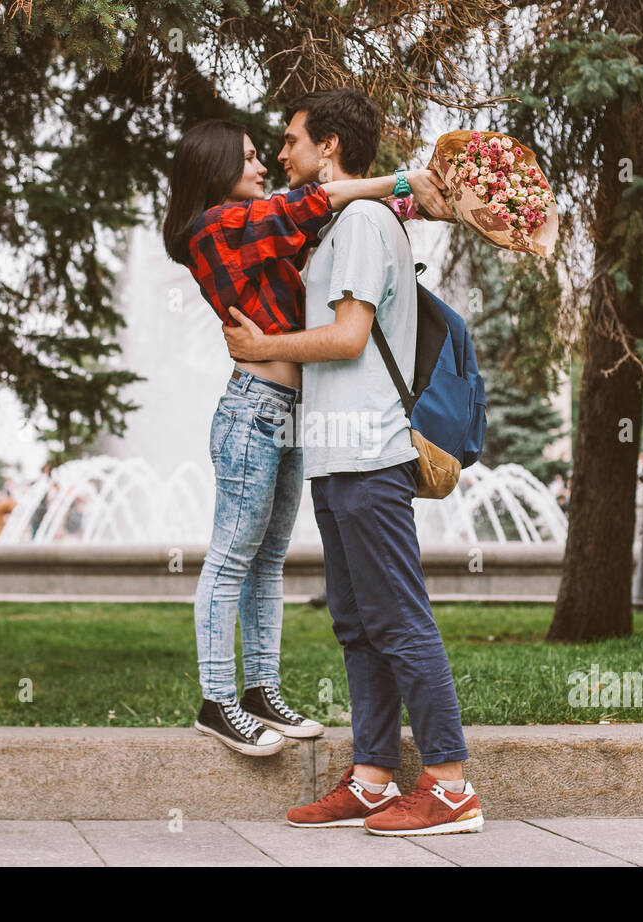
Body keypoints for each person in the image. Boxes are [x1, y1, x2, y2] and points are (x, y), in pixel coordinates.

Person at [222, 88, 483, 835]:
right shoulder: (347, 216)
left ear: (328, 145)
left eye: (292, 140)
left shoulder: (365, 224)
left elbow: (346, 337)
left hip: (369, 454)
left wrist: (261, 348)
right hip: (334, 456)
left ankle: (450, 783)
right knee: (358, 624)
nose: (281, 153)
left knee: (399, 620)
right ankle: (373, 776)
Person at [163, 115, 453, 758]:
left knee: (267, 561)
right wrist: (401, 177)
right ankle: (217, 700)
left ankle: (261, 689)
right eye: (245, 158)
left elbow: (323, 220)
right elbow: (310, 205)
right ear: (212, 169)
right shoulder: (213, 227)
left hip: (291, 411)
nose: (263, 163)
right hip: (253, 409)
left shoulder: (259, 225)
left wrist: (429, 200)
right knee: (231, 555)